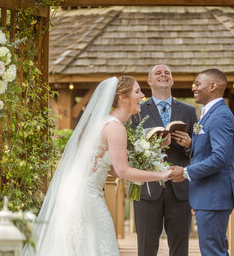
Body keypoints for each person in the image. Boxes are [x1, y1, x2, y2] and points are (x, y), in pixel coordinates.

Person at [24, 76, 172, 256]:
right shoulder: (115, 128)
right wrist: (162, 175)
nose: (142, 95)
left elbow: (106, 166)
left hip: (76, 192)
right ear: (122, 98)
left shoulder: (104, 123)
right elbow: (122, 170)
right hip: (87, 197)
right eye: (137, 91)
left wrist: (142, 165)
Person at [170, 68, 234, 256]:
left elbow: (220, 158)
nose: (194, 87)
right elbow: (209, 152)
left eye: (198, 83)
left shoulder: (220, 116)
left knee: (212, 251)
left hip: (214, 197)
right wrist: (192, 144)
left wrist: (185, 172)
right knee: (212, 249)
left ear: (213, 86)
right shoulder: (210, 113)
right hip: (206, 196)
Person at [131, 64, 197, 256]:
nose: (163, 75)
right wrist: (153, 146)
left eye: (167, 73)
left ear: (172, 80)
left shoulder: (189, 111)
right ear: (150, 81)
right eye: (158, 73)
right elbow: (130, 150)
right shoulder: (137, 111)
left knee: (180, 248)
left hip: (180, 189)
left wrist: (189, 144)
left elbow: (200, 151)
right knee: (146, 248)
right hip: (148, 189)